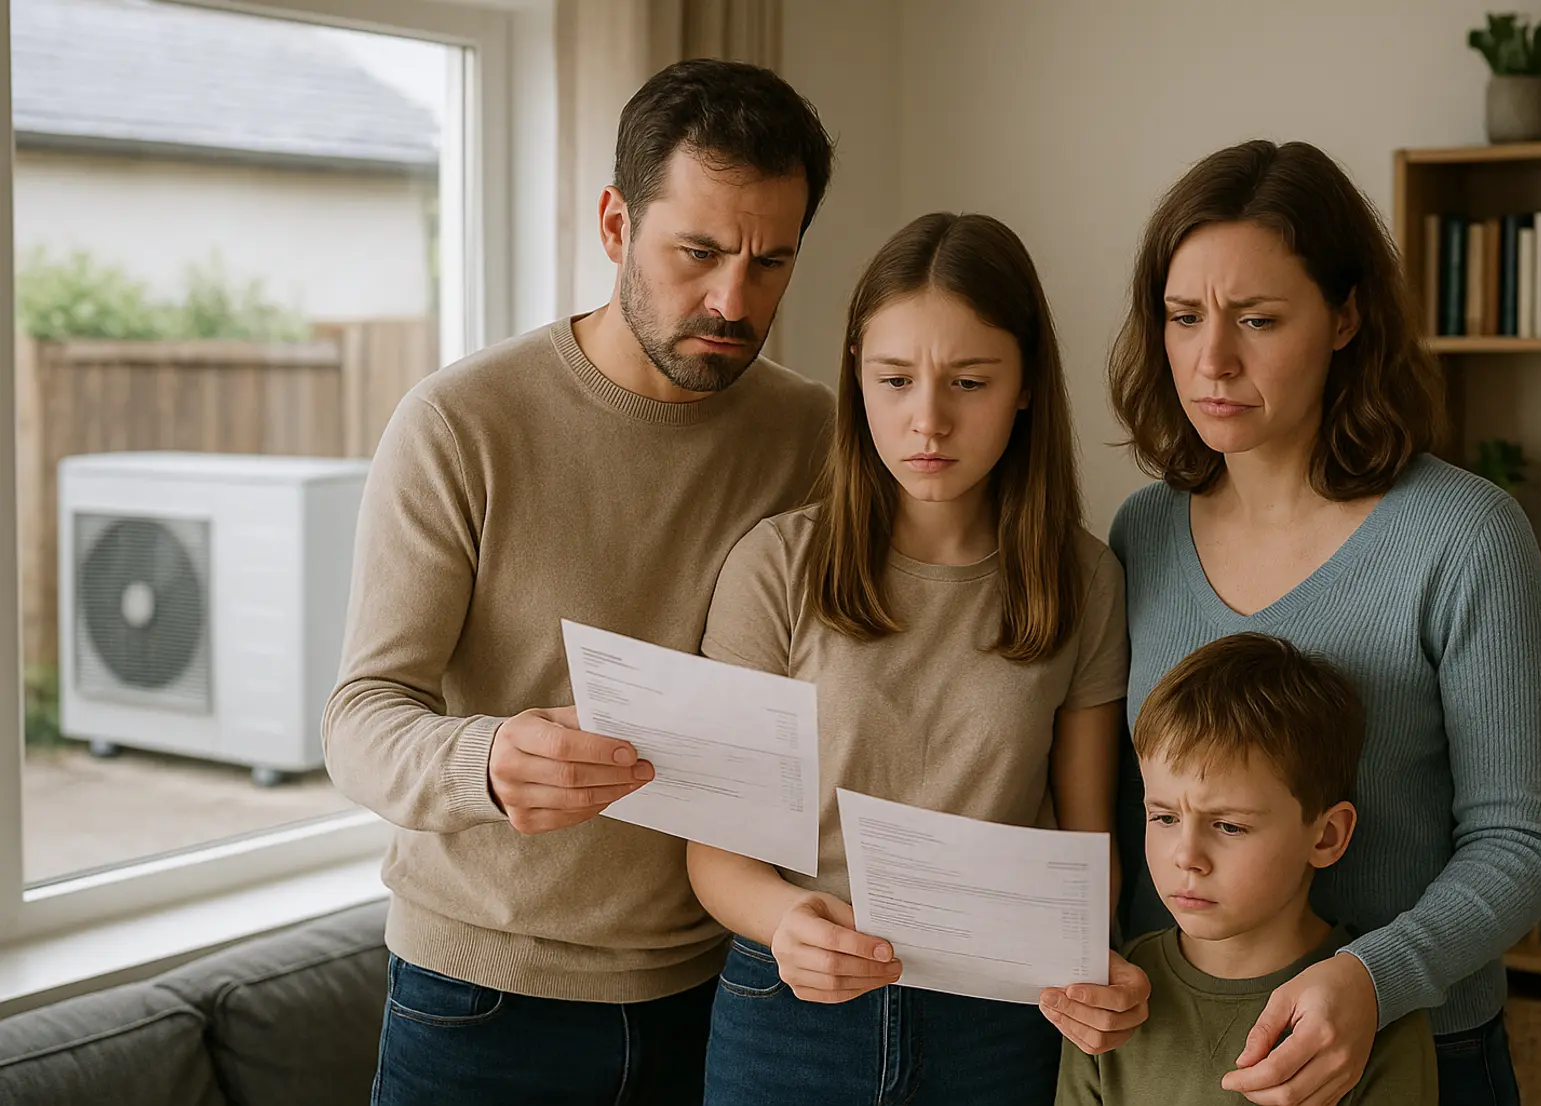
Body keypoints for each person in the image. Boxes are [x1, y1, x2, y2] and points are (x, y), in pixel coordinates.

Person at [322, 59, 836, 1106]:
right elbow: (359, 718)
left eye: (771, 261)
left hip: (721, 991)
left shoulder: (814, 435)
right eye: (698, 252)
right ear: (614, 225)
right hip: (480, 999)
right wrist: (487, 760)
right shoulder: (460, 424)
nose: (733, 300)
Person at [1107, 139, 1541, 1106]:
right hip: (1174, 1055)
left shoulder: (1465, 536)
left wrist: (1370, 978)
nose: (1212, 360)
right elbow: (1126, 806)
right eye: (1183, 318)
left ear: (1346, 317)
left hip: (1418, 1053)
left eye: (1257, 319)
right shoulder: (1142, 531)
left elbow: (1518, 845)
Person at [688, 211, 1149, 1106]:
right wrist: (785, 922)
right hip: (792, 1012)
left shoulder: (1083, 580)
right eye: (894, 380)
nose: (927, 420)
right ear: (856, 375)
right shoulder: (776, 566)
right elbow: (714, 854)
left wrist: (1096, 964)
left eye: (969, 382)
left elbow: (1086, 842)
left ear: (1025, 384)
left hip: (1001, 1021)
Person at [1056, 632, 1438, 1104]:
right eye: (1165, 818)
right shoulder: (1108, 1000)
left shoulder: (1374, 1016)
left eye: (1229, 826)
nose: (1186, 856)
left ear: (1326, 836)